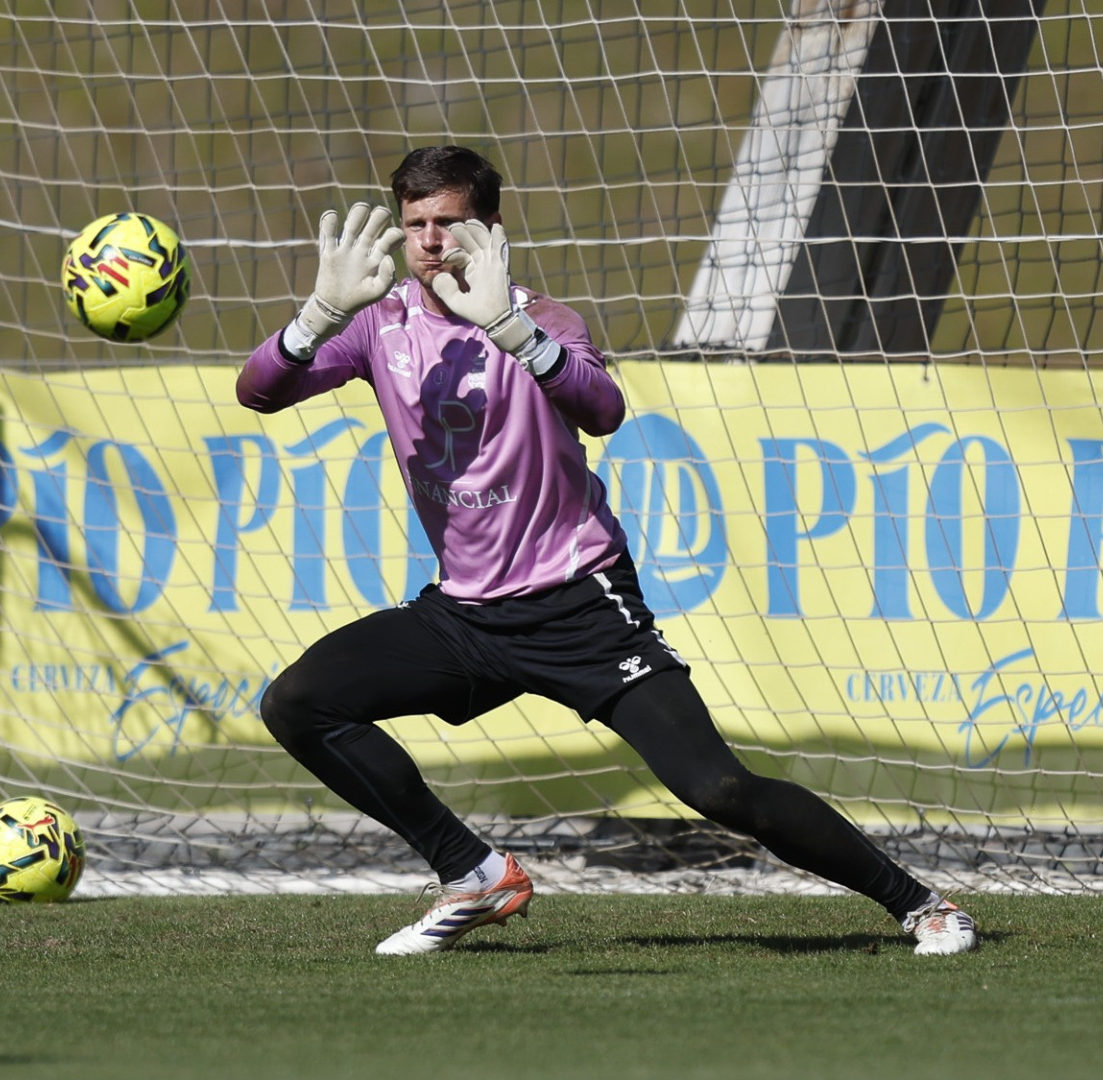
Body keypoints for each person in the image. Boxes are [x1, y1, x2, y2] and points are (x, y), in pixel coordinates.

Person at [238, 145, 977, 957]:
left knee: (717, 787)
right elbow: (259, 392)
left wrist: (510, 330)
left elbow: (603, 410)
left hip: (581, 604)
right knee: (298, 703)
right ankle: (472, 873)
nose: (431, 241)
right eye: (415, 224)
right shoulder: (378, 326)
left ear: (490, 227)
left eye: (449, 221)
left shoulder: (541, 319)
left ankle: (922, 905)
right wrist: (319, 314)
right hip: (466, 616)